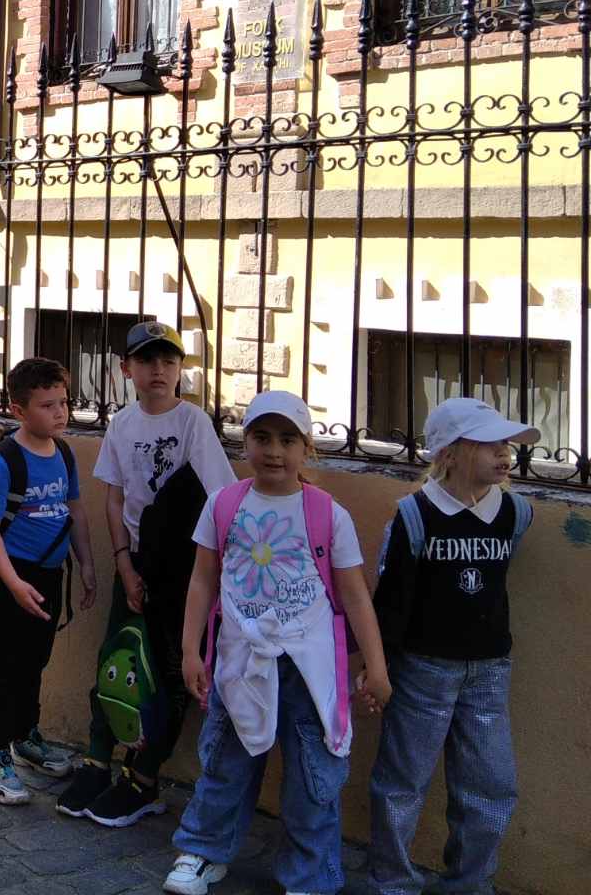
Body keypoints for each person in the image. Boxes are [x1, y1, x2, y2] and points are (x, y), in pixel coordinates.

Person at [163, 390, 391, 895]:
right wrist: (190, 650)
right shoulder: (224, 505)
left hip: (309, 671)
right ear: (245, 442)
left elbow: (355, 595)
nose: (273, 451)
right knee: (225, 763)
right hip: (239, 663)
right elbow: (203, 579)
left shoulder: (328, 514)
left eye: (288, 440)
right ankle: (203, 852)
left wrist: (377, 666)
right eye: (262, 437)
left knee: (313, 778)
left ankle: (310, 875)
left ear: (306, 448)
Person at [57, 320, 236, 827]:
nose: (159, 369)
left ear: (180, 369)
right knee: (116, 659)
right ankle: (97, 759)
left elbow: (220, 499)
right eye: (147, 360)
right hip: (133, 561)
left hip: (180, 569)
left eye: (169, 360)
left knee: (167, 673)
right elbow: (114, 497)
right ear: (126, 368)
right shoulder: (122, 424)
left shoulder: (192, 423)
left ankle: (143, 776)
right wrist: (122, 561)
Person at [366, 398, 537, 895]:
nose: (504, 453)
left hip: (489, 672)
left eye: (506, 443)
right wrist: (378, 668)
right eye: (489, 443)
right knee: (402, 782)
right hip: (423, 670)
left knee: (491, 785)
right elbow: (392, 599)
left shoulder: (515, 512)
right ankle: (393, 883)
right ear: (450, 453)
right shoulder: (415, 515)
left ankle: (470, 883)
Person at [0, 358, 97, 805]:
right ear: (18, 410)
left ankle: (25, 734)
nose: (60, 412)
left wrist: (86, 564)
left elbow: (74, 510)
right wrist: (12, 583)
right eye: (47, 405)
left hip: (49, 574)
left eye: (63, 402)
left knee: (34, 660)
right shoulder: (4, 462)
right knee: (2, 666)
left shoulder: (64, 453)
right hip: (10, 578)